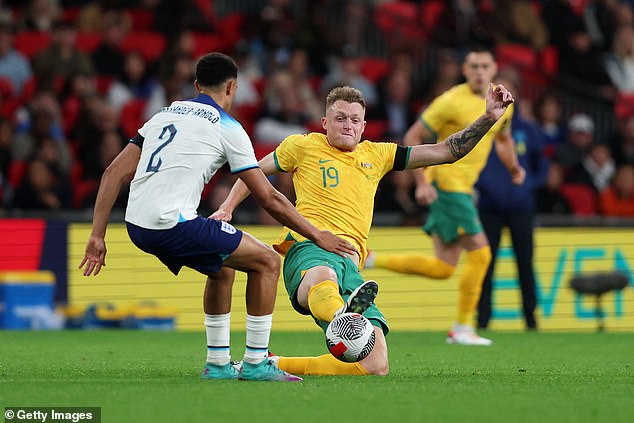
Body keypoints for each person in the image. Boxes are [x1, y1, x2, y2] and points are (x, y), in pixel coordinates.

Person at [78, 52, 356, 382]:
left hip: (136, 224)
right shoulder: (229, 127)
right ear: (232, 87)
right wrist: (316, 235)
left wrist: (97, 235)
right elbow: (268, 197)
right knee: (267, 261)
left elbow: (112, 172)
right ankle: (256, 363)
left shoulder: (161, 116)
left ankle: (218, 363)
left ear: (196, 85)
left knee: (222, 267)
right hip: (171, 223)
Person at [213, 82, 516, 375]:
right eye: (340, 118)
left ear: (363, 125)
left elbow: (447, 151)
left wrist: (488, 117)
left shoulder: (378, 154)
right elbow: (251, 172)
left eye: (354, 120)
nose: (347, 125)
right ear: (325, 122)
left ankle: (272, 363)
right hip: (310, 247)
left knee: (375, 365)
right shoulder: (302, 146)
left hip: (351, 265)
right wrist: (227, 207)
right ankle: (342, 316)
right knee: (324, 276)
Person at [366, 48, 525, 346]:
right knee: (481, 254)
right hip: (448, 186)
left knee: (443, 268)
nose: (479, 71)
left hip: (462, 190)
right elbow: (412, 138)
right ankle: (462, 328)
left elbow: (502, 138)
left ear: (494, 70)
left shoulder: (503, 102)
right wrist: (422, 181)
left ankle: (371, 259)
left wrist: (515, 169)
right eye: (474, 66)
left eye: (484, 66)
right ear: (464, 70)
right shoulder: (450, 100)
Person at [475, 72, 549, 331]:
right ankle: (482, 319)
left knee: (525, 264)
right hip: (489, 208)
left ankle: (531, 318)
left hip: (521, 208)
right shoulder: (483, 126)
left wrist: (529, 186)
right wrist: (483, 186)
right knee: (485, 265)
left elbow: (542, 164)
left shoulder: (527, 129)